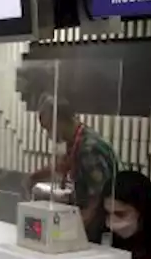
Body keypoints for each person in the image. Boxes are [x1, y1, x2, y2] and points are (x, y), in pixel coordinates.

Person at [30, 94, 123, 243]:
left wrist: (68, 234)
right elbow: (62, 165)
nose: (49, 136)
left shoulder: (88, 149)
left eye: (49, 128)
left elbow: (99, 200)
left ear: (60, 121)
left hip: (101, 228)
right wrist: (35, 176)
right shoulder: (76, 141)